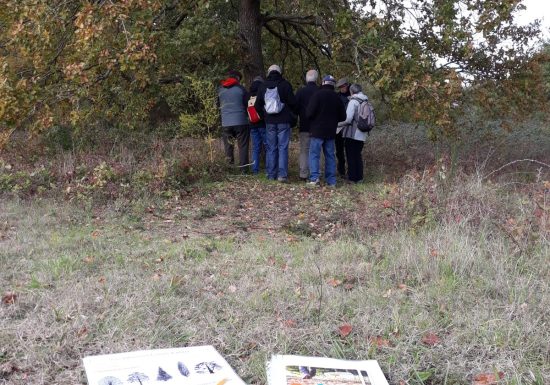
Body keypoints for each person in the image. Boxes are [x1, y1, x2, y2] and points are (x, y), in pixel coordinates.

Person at [254, 64, 298, 182]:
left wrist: (264, 116)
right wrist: (291, 114)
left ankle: (270, 174)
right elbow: (293, 103)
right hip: (284, 121)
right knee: (283, 147)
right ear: (280, 72)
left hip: (269, 122)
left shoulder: (263, 86)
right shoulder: (285, 85)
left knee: (271, 148)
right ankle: (282, 175)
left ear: (269, 72)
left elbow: (257, 105)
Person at [306, 75, 346, 187]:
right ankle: (331, 181)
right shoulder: (337, 97)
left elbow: (309, 113)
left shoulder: (317, 95)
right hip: (330, 132)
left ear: (323, 83)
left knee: (314, 154)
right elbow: (343, 117)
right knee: (330, 156)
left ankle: (314, 178)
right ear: (333, 84)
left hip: (317, 131)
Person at [217, 70, 250, 169]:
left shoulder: (220, 89)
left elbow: (217, 105)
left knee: (228, 146)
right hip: (241, 121)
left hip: (226, 122)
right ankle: (244, 169)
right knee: (243, 145)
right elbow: (248, 104)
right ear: (238, 78)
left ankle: (229, 167)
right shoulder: (241, 89)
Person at [338, 83, 369, 183]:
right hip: (363, 132)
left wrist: (337, 124)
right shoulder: (365, 100)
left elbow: (348, 119)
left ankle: (352, 177)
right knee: (357, 155)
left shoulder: (353, 102)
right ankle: (359, 177)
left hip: (352, 133)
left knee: (351, 155)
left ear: (351, 91)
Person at [295, 69, 319, 181]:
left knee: (304, 151)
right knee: (317, 151)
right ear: (316, 79)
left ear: (306, 79)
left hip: (304, 125)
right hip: (318, 126)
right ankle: (316, 172)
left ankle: (303, 174)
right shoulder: (320, 91)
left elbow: (294, 108)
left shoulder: (300, 92)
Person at [248, 76, 267, 175]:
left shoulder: (248, 94)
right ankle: (269, 169)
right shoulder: (263, 91)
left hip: (252, 124)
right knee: (268, 146)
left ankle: (255, 170)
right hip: (262, 124)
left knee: (256, 148)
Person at [335, 77, 350, 178]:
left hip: (350, 126)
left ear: (347, 85)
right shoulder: (337, 96)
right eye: (339, 87)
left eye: (343, 86)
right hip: (339, 127)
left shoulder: (353, 96)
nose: (341, 88)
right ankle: (341, 171)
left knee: (349, 149)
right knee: (339, 150)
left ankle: (350, 170)